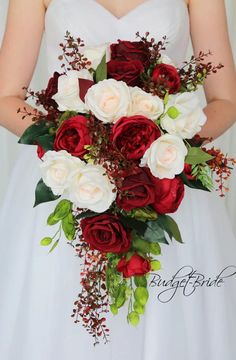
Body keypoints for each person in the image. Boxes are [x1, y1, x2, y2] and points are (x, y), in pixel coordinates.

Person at [0, 0, 236, 359]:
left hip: (163, 180)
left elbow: (226, 100)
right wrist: (76, 143)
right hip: (67, 174)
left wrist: (165, 145)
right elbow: (5, 96)